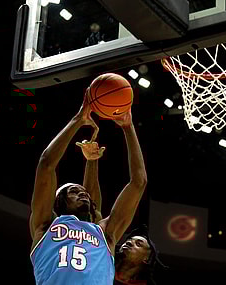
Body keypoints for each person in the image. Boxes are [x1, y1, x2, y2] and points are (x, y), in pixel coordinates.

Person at [29, 89, 148, 285]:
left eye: (83, 191)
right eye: (74, 191)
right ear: (59, 201)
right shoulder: (45, 225)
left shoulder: (106, 234)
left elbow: (139, 182)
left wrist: (128, 127)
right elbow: (46, 164)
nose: (82, 193)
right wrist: (78, 119)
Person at [76, 141, 167, 285]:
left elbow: (140, 182)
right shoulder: (104, 256)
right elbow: (92, 209)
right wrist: (92, 161)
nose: (130, 242)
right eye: (131, 240)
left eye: (138, 244)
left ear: (147, 258)